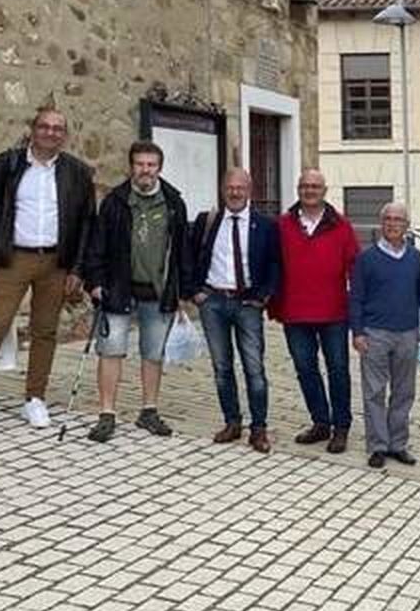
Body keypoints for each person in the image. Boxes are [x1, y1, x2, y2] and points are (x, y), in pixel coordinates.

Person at [0, 105, 97, 431]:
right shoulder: (5, 165)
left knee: (45, 331)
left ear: (65, 135)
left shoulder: (77, 173)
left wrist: (77, 269)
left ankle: (34, 398)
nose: (51, 132)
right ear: (33, 129)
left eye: (58, 128)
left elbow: (86, 225)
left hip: (56, 262)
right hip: (12, 259)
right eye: (45, 126)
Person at [79, 140, 189, 442]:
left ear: (159, 168)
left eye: (151, 165)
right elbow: (97, 245)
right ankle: (107, 414)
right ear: (131, 167)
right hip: (118, 289)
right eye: (140, 164)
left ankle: (149, 411)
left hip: (158, 291)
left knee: (153, 354)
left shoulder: (173, 202)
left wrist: (183, 289)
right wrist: (95, 282)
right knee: (111, 351)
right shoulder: (115, 201)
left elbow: (182, 250)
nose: (145, 170)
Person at [189, 168, 280, 453]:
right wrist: (196, 291)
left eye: (240, 187)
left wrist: (263, 296)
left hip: (247, 304)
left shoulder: (265, 225)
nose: (235, 192)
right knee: (222, 367)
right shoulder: (208, 221)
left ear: (250, 190)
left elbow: (276, 265)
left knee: (254, 367)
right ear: (222, 189)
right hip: (213, 302)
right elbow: (188, 256)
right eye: (230, 187)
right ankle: (232, 422)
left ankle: (259, 428)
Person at [274, 169, 360, 454]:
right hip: (295, 313)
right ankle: (321, 422)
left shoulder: (342, 226)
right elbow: (274, 266)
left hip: (334, 313)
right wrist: (274, 304)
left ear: (324, 190)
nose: (309, 190)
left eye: (315, 186)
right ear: (298, 189)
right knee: (305, 370)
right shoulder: (283, 224)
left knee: (338, 371)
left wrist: (358, 311)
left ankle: (341, 426)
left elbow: (356, 270)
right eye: (304, 186)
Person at [349, 202, 420, 469]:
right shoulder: (366, 258)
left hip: (407, 333)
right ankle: (377, 445)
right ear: (381, 223)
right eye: (388, 219)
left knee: (404, 392)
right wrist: (357, 332)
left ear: (407, 226)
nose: (393, 224)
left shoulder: (416, 258)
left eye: (399, 220)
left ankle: (398, 444)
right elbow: (356, 297)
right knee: (374, 392)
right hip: (375, 334)